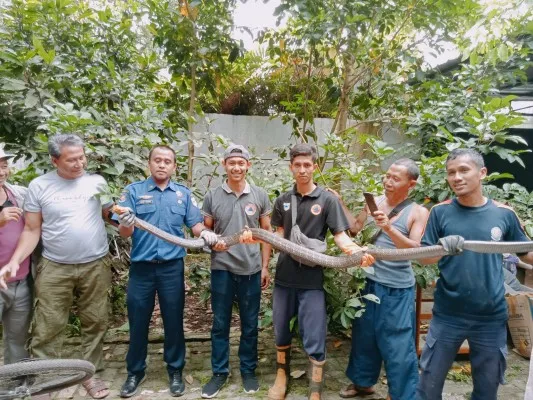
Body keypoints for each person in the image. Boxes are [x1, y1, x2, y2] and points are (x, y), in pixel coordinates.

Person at [0, 134, 113, 399]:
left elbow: (110, 215)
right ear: (55, 160)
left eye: (82, 157)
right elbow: (31, 229)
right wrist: (14, 261)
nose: (79, 163)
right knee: (48, 325)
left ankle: (91, 375)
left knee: (95, 322)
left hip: (95, 264)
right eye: (71, 159)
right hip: (55, 267)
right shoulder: (40, 186)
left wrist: (124, 218)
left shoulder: (98, 182)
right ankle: (44, 381)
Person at [416, 148, 533, 400]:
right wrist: (443, 248)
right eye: (451, 173)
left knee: (487, 388)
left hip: (490, 317)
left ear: (482, 173)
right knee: (428, 385)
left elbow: (525, 253)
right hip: (448, 315)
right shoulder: (440, 212)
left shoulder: (504, 214)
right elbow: (425, 257)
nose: (456, 177)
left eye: (463, 170)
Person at [264, 143, 374, 400]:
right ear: (291, 168)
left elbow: (341, 237)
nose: (302, 170)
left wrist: (356, 253)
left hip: (312, 278)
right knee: (280, 327)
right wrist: (255, 237)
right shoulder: (282, 200)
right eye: (297, 165)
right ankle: (281, 377)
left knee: (314, 332)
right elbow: (276, 236)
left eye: (307, 165)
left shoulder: (327, 200)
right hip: (284, 277)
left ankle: (316, 389)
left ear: (315, 166)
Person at [115, 145, 218, 398]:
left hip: (172, 268)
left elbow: (194, 224)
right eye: (157, 160)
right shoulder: (133, 192)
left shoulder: (182, 194)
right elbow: (124, 232)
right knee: (138, 322)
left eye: (167, 161)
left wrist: (204, 233)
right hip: (141, 268)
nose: (162, 164)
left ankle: (175, 370)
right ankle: (135, 372)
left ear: (174, 166)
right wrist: (127, 224)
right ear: (149, 164)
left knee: (173, 321)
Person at [334, 159, 429, 400]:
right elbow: (355, 228)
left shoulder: (417, 212)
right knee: (364, 336)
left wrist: (389, 228)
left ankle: (403, 394)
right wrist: (339, 202)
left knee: (397, 343)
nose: (387, 182)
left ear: (411, 184)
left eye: (395, 178)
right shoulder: (373, 202)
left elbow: (416, 250)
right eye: (387, 176)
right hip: (367, 284)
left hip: (397, 289)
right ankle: (362, 383)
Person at [200, 144, 273, 398]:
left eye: (241, 163)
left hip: (251, 270)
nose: (237, 167)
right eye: (232, 163)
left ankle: (248, 370)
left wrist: (264, 267)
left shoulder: (260, 195)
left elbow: (267, 235)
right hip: (221, 268)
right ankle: (219, 372)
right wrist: (212, 239)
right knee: (220, 324)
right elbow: (204, 230)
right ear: (224, 165)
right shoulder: (212, 196)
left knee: (250, 324)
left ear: (248, 166)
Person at [0, 149, 31, 365]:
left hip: (20, 281)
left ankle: (16, 382)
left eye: (3, 165)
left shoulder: (19, 194)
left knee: (17, 337)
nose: (1, 171)